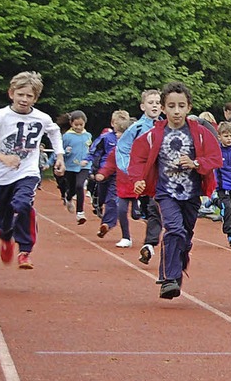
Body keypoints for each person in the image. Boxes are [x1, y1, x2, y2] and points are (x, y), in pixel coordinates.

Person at [130, 81, 223, 299]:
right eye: (171, 106)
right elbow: (138, 158)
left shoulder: (199, 134)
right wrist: (137, 180)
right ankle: (169, 278)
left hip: (191, 194)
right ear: (163, 108)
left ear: (189, 107)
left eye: (181, 106)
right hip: (166, 193)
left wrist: (196, 163)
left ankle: (178, 264)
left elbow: (215, 158)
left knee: (185, 236)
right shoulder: (154, 135)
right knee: (174, 229)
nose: (176, 111)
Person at [0, 71, 65, 269]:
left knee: (23, 204)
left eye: (29, 96)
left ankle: (25, 250)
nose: (24, 100)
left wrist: (59, 156)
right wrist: (2, 156)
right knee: (4, 219)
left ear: (35, 98)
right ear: (11, 93)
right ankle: (5, 237)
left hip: (28, 172)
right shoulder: (1, 116)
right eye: (20, 94)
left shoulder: (41, 118)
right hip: (2, 177)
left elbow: (54, 131)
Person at [114, 89, 162, 257]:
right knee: (153, 207)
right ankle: (150, 242)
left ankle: (153, 242)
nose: (155, 106)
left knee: (159, 208)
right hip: (145, 177)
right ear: (143, 106)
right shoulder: (137, 127)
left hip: (163, 176)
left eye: (158, 103)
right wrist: (132, 171)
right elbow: (122, 148)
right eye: (151, 103)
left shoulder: (167, 125)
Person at [87, 110, 131, 239]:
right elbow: (95, 152)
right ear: (113, 123)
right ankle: (98, 204)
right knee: (102, 196)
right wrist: (93, 169)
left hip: (118, 174)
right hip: (103, 172)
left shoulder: (129, 139)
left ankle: (107, 223)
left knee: (112, 199)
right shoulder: (105, 138)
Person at [62, 110, 92, 225]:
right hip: (70, 166)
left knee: (80, 186)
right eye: (76, 125)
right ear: (71, 123)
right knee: (72, 188)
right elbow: (59, 152)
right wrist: (66, 152)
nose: (79, 127)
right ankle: (68, 198)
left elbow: (90, 150)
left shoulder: (87, 135)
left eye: (81, 125)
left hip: (84, 166)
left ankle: (80, 212)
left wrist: (89, 159)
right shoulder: (67, 136)